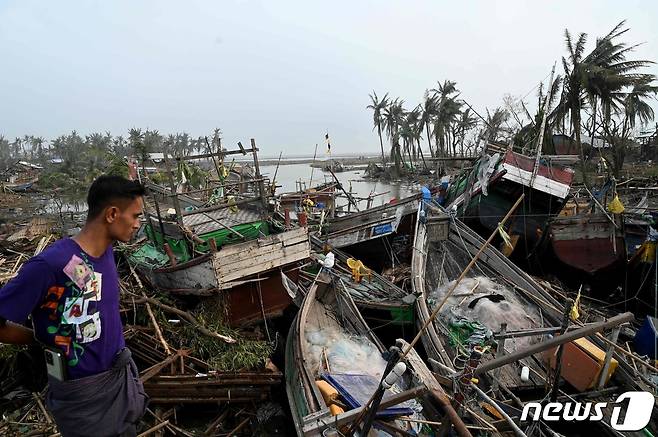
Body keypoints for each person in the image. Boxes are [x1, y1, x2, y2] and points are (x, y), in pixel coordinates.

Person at [0, 175, 148, 437]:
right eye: (135, 216)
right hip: (84, 398)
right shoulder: (50, 265)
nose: (138, 224)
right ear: (112, 214)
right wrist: (37, 339)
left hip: (119, 381)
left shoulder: (104, 253)